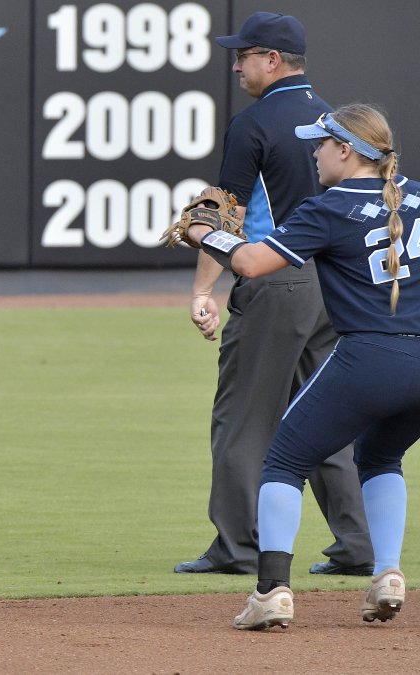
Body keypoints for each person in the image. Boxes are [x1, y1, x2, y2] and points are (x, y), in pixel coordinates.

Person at [184, 103, 416, 629]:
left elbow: (249, 263)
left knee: (283, 461)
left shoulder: (328, 207)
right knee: (380, 455)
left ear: (346, 150)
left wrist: (202, 233)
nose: (314, 153)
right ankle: (387, 574)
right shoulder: (418, 197)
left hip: (370, 355)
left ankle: (272, 592)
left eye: (321, 144)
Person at [174, 12, 373, 576]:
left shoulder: (255, 122)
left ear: (273, 61)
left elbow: (222, 214)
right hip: (339, 286)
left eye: (244, 55)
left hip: (275, 278)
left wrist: (202, 291)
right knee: (327, 415)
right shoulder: (336, 122)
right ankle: (357, 546)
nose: (236, 64)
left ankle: (238, 547)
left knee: (244, 418)